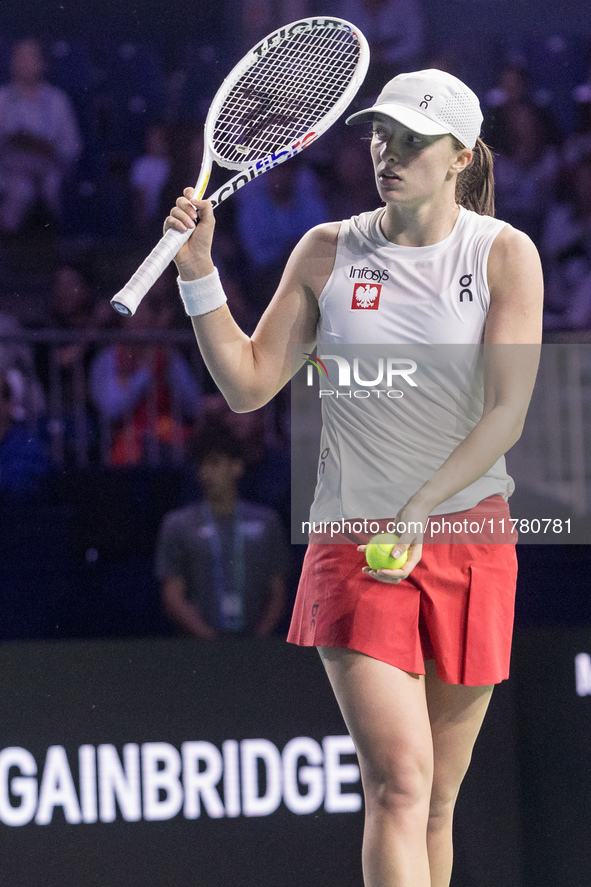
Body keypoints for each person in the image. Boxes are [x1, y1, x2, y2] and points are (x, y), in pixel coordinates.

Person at [163, 68, 542, 887]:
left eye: (412, 139)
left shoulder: (504, 255)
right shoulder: (326, 250)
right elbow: (248, 383)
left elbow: (506, 414)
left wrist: (424, 507)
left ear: (459, 156)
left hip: (469, 540)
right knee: (397, 783)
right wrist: (199, 269)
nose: (389, 152)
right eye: (380, 134)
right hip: (356, 544)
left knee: (438, 797)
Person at [156, 428, 289, 638]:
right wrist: (209, 640)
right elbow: (172, 594)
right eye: (201, 465)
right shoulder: (178, 524)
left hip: (257, 650)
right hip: (198, 651)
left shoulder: (267, 522)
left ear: (236, 466)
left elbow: (278, 591)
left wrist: (259, 641)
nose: (205, 474)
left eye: (214, 463)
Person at [0, 38, 82, 234]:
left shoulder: (58, 100)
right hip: (10, 172)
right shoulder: (2, 99)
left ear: (42, 63)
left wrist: (44, 147)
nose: (23, 63)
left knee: (53, 187)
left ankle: (59, 247)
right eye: (19, 57)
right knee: (21, 191)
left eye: (29, 57)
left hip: (51, 171)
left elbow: (72, 148)